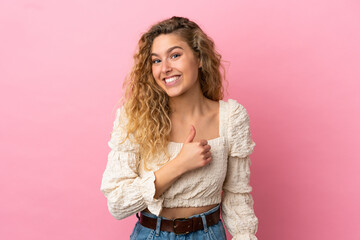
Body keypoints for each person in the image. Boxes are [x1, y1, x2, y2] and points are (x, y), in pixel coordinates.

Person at [100, 16, 258, 239]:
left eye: (175, 55)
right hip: (151, 234)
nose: (165, 68)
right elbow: (117, 203)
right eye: (156, 61)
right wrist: (179, 164)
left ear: (200, 58)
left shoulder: (232, 117)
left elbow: (237, 196)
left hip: (209, 234)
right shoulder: (134, 117)